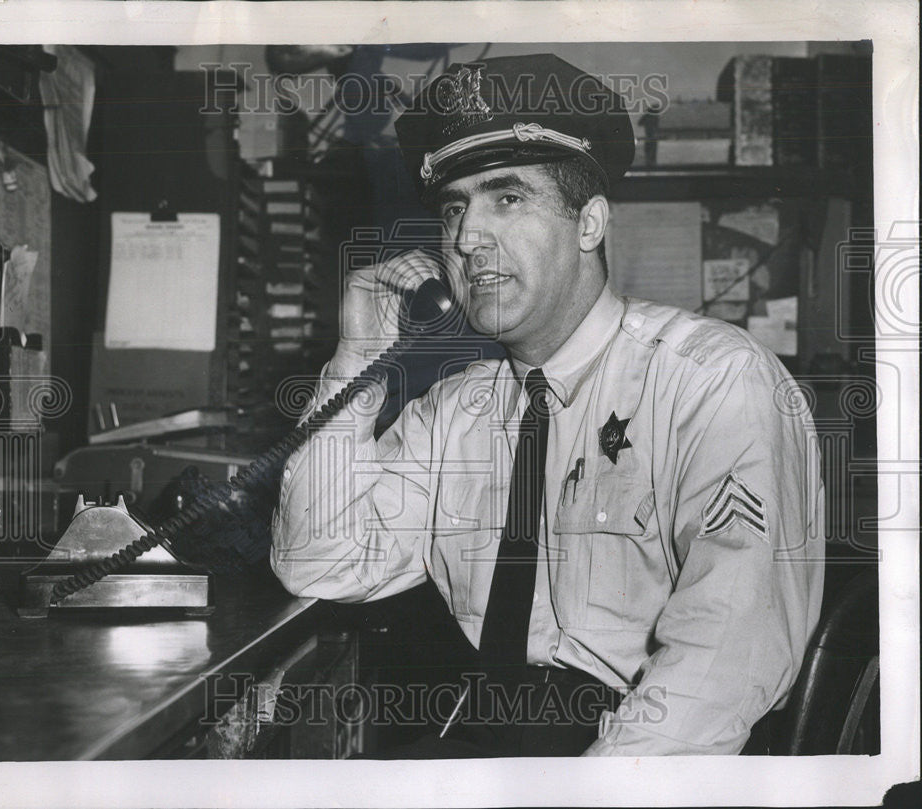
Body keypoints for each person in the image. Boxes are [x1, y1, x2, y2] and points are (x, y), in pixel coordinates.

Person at [271, 54, 824, 756]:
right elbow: (317, 560)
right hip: (479, 739)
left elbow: (727, 655)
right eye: (454, 207)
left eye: (506, 198)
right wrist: (354, 363)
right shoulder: (457, 409)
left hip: (644, 759)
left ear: (589, 222)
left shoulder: (713, 381)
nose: (468, 237)